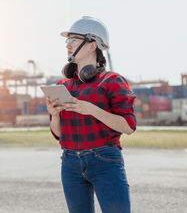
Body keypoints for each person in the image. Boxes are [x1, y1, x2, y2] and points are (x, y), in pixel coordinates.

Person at [46, 16, 136, 213]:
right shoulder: (62, 86)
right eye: (67, 41)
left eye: (74, 41)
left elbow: (128, 126)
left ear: (92, 45)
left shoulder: (112, 81)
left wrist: (91, 109)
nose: (68, 46)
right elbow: (59, 135)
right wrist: (56, 115)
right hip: (69, 163)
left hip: (105, 161)